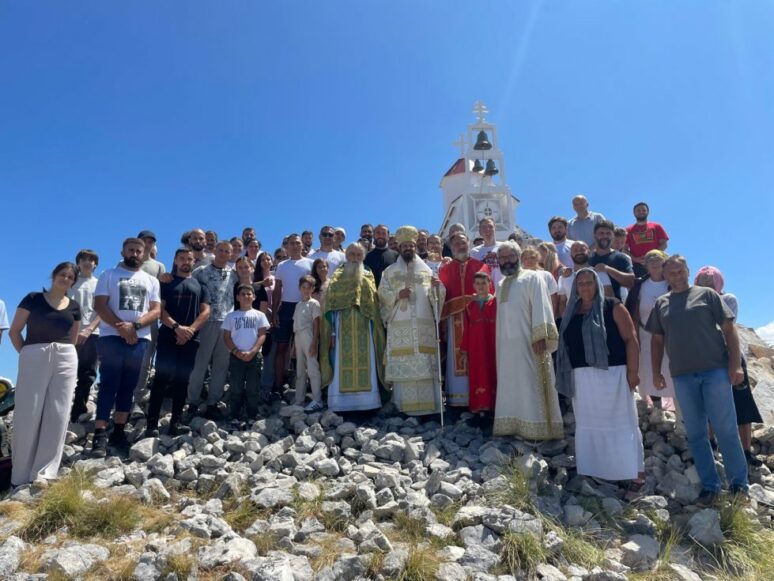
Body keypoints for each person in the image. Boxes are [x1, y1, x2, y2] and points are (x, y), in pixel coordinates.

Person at [646, 255, 749, 504]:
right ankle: (711, 485)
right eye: (672, 272)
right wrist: (656, 372)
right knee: (695, 433)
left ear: (687, 271)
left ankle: (739, 485)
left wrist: (735, 364)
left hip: (715, 371)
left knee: (725, 429)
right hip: (682, 375)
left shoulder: (707, 295)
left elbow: (729, 330)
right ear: (665, 275)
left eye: (680, 271)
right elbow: (657, 340)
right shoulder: (661, 303)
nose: (677, 275)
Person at [556, 269, 645, 491]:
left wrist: (633, 372)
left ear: (596, 284)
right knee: (590, 424)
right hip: (581, 377)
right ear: (575, 288)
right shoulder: (571, 311)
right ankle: (596, 471)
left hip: (613, 374)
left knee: (622, 422)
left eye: (589, 282)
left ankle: (635, 474)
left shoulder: (612, 306)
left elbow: (631, 339)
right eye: (581, 284)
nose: (585, 287)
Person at [8, 262, 80, 487]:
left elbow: (73, 338)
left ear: (73, 282)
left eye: (70, 277)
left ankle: (44, 473)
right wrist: (28, 354)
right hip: (34, 354)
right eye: (62, 274)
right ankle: (20, 476)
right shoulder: (33, 298)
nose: (65, 279)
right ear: (54, 275)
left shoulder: (75, 306)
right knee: (27, 413)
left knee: (58, 413)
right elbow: (14, 331)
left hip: (65, 356)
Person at [91, 238, 161, 457]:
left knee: (128, 386)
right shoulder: (108, 275)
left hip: (140, 338)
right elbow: (99, 305)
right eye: (131, 250)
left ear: (144, 254)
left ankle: (119, 431)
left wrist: (135, 327)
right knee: (108, 383)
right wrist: (121, 328)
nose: (135, 254)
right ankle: (100, 433)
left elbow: (155, 310)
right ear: (123, 252)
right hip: (111, 336)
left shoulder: (151, 280)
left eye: (139, 251)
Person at [493, 242, 563, 440]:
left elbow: (542, 305)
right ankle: (513, 424)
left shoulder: (533, 277)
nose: (506, 261)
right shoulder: (501, 285)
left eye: (510, 256)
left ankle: (540, 428)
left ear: (518, 257)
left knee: (532, 382)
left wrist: (540, 335)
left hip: (530, 342)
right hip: (507, 346)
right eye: (502, 258)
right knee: (511, 382)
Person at [694, 266, 763, 467]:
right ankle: (711, 445)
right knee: (708, 403)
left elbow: (720, 325)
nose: (706, 285)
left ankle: (746, 450)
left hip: (731, 357)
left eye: (710, 281)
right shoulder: (694, 302)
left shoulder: (728, 299)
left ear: (718, 282)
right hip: (706, 358)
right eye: (702, 281)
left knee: (742, 404)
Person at [378, 226, 445, 416]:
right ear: (399, 248)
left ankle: (429, 408)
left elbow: (435, 296)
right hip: (401, 323)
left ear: (415, 247)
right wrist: (397, 294)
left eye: (411, 245)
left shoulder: (427, 270)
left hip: (423, 324)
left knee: (425, 362)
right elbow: (382, 294)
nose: (408, 248)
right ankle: (403, 407)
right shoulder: (389, 272)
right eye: (405, 245)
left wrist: (438, 288)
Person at [144, 248, 211, 437]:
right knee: (161, 379)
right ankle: (151, 424)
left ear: (194, 261)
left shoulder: (201, 285)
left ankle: (176, 422)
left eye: (189, 258)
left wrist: (190, 330)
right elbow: (160, 309)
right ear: (175, 260)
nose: (185, 261)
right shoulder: (166, 283)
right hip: (168, 336)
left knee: (183, 381)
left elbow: (206, 311)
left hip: (191, 339)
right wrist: (177, 327)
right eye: (182, 258)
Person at [320, 243, 386, 412]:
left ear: (363, 257)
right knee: (340, 362)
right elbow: (330, 306)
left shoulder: (368, 275)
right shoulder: (337, 276)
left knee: (367, 361)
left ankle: (367, 403)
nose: (355, 258)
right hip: (342, 326)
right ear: (346, 256)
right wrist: (332, 332)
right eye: (352, 254)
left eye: (358, 255)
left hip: (365, 326)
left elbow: (373, 303)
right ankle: (340, 404)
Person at [186, 241, 238, 419]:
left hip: (227, 324)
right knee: (200, 364)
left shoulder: (233, 274)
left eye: (227, 251)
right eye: (221, 250)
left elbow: (248, 285)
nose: (223, 254)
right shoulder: (200, 271)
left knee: (221, 366)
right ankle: (192, 401)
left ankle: (212, 402)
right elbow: (188, 286)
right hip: (206, 321)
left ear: (231, 254)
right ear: (215, 251)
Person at [439, 232, 491, 409]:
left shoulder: (481, 266)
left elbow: (488, 292)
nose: (460, 246)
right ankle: (458, 398)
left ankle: (480, 397)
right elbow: (442, 296)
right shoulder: (445, 269)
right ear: (451, 247)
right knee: (457, 357)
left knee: (478, 354)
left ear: (468, 243)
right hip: (454, 320)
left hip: (477, 318)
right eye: (456, 243)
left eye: (463, 242)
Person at [624, 250, 676, 410]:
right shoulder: (640, 285)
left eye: (658, 259)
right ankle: (657, 408)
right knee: (650, 368)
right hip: (646, 333)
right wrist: (635, 335)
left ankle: (679, 412)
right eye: (650, 259)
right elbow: (633, 311)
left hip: (671, 334)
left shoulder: (672, 283)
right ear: (645, 265)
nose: (654, 262)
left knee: (672, 369)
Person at [130, 230, 167, 418]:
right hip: (127, 316)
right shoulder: (125, 263)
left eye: (151, 241)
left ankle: (137, 399)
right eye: (145, 240)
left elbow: (161, 294)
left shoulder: (159, 266)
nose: (148, 243)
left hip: (150, 318)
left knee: (145, 360)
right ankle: (122, 397)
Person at [272, 234, 314, 390]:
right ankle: (278, 386)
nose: (295, 246)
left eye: (297, 243)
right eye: (291, 243)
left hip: (305, 307)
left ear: (302, 245)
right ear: (287, 246)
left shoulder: (310, 263)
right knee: (282, 347)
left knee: (306, 347)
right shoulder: (282, 265)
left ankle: (305, 386)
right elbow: (277, 290)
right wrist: (274, 312)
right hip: (286, 308)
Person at [223, 285, 270, 421]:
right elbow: (226, 337)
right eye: (242, 294)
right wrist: (236, 351)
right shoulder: (231, 316)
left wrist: (253, 351)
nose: (246, 296)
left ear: (254, 297)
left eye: (249, 294)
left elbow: (262, 335)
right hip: (236, 357)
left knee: (252, 388)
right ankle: (234, 415)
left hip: (254, 357)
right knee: (236, 387)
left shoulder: (259, 315)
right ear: (237, 297)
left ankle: (252, 415)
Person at [68, 249, 102, 423]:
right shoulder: (69, 282)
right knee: (65, 372)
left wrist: (89, 329)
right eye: (84, 259)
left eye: (91, 259)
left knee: (87, 373)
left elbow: (103, 310)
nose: (88, 262)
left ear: (96, 264)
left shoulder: (100, 284)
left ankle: (78, 411)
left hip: (92, 334)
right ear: (78, 263)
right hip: (67, 333)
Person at [460, 272, 497, 420]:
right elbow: (466, 330)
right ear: (473, 286)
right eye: (478, 283)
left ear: (490, 284)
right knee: (478, 374)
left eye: (484, 283)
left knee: (492, 373)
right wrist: (464, 350)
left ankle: (494, 408)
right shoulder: (470, 306)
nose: (481, 286)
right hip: (475, 348)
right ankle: (480, 408)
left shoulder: (496, 303)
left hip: (492, 346)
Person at [557, 242, 613, 317]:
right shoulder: (564, 276)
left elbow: (610, 298)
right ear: (570, 255)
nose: (579, 252)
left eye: (582, 249)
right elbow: (562, 302)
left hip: (598, 318)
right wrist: (566, 319)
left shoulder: (600, 273)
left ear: (589, 252)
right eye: (575, 250)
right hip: (573, 319)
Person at [293, 275, 323, 411]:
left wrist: (314, 342)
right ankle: (299, 400)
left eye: (308, 288)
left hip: (308, 335)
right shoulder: (298, 305)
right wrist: (293, 347)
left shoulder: (314, 303)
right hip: (298, 336)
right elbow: (296, 325)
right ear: (299, 288)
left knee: (312, 368)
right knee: (300, 369)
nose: (306, 290)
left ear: (313, 289)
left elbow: (316, 324)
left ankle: (317, 399)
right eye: (303, 287)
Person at [588, 220, 634, 301]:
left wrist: (608, 269)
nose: (605, 236)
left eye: (608, 233)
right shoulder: (588, 258)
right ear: (594, 235)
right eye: (601, 233)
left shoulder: (621, 257)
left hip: (613, 306)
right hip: (590, 306)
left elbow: (631, 282)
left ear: (613, 236)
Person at [626, 202, 669, 277]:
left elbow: (664, 244)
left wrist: (652, 256)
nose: (641, 212)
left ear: (648, 212)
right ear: (634, 213)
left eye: (643, 210)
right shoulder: (628, 230)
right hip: (637, 266)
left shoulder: (657, 226)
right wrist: (636, 259)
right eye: (638, 210)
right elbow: (624, 249)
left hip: (657, 263)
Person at [521, 246, 559, 315]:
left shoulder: (547, 275)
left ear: (538, 258)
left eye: (532, 257)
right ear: (522, 260)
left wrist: (551, 316)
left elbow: (553, 299)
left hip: (543, 314)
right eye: (526, 258)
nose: (529, 260)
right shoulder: (518, 278)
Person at [470, 217, 503, 286]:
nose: (487, 229)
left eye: (490, 226)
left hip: (503, 289)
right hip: (485, 290)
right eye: (484, 227)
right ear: (480, 231)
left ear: (495, 229)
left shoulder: (504, 247)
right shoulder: (474, 252)